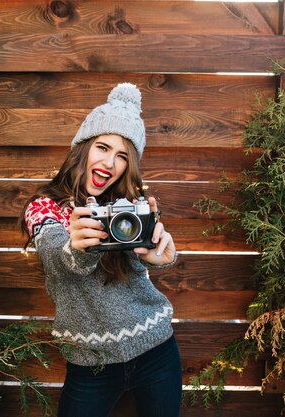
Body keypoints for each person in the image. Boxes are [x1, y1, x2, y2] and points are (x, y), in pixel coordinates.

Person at [20, 83, 182, 417]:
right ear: (82, 148)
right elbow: (55, 258)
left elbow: (144, 261)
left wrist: (162, 255)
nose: (110, 162)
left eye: (122, 156)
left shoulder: (129, 207)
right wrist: (76, 247)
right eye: (103, 147)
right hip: (90, 363)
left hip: (156, 350)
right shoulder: (43, 208)